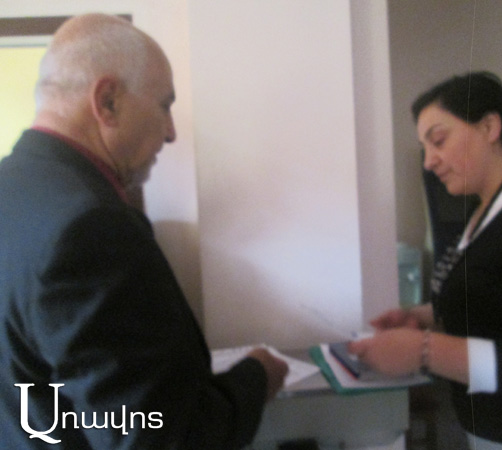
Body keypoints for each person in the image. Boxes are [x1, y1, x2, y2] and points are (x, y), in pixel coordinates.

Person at [0, 13, 288, 449]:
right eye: (164, 105)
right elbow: (157, 437)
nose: (171, 133)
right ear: (108, 102)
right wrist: (257, 377)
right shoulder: (90, 230)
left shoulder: (12, 189)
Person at [349, 72, 502, 450]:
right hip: (490, 429)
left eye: (438, 141)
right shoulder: (483, 210)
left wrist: (423, 350)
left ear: (489, 127)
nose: (429, 162)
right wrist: (420, 317)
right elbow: (493, 300)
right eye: (424, 148)